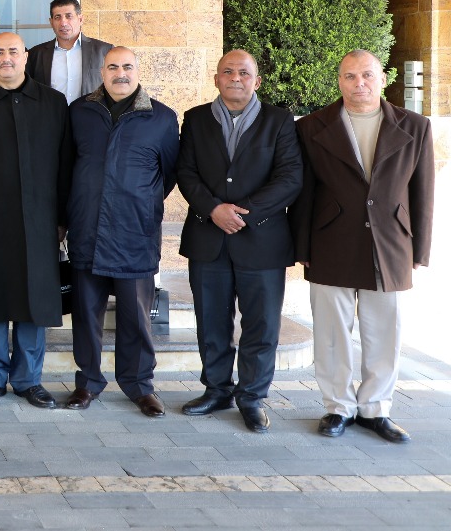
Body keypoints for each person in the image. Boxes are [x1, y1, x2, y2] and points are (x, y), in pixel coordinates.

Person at [291, 49, 434, 444]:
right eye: (350, 76)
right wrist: (301, 247)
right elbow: (304, 193)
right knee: (331, 331)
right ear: (339, 81)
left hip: (390, 243)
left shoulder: (416, 126)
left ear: (382, 79)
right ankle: (338, 407)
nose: (359, 84)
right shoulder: (312, 127)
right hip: (330, 241)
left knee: (385, 331)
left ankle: (376, 409)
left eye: (367, 75)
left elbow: (423, 191)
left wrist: (420, 249)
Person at [176, 50, 302, 432]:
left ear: (256, 81)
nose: (235, 78)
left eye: (244, 73)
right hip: (208, 238)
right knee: (211, 321)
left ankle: (252, 397)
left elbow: (290, 178)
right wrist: (213, 209)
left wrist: (243, 213)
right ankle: (216, 390)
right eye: (227, 72)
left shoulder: (279, 121)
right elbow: (186, 172)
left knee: (261, 325)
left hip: (262, 241)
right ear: (216, 79)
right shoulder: (195, 119)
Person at [0, 32, 72, 407]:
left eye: (13, 52)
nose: (6, 58)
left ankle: (28, 380)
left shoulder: (53, 103)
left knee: (34, 300)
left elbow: (65, 165)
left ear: (26, 57)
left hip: (41, 220)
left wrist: (63, 218)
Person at [64, 47, 179, 418]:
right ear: (102, 72)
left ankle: (140, 385)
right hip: (87, 229)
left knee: (135, 317)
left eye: (127, 66)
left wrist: (139, 202)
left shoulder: (161, 117)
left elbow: (168, 175)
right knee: (86, 314)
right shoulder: (79, 112)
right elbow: (66, 167)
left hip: (134, 232)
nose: (120, 73)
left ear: (138, 71)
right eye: (113, 67)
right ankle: (87, 382)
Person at [25, 0, 113, 105]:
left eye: (69, 16)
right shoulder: (36, 54)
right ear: (51, 22)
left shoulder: (104, 51)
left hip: (90, 114)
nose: (63, 23)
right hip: (50, 115)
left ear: (80, 19)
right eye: (57, 17)